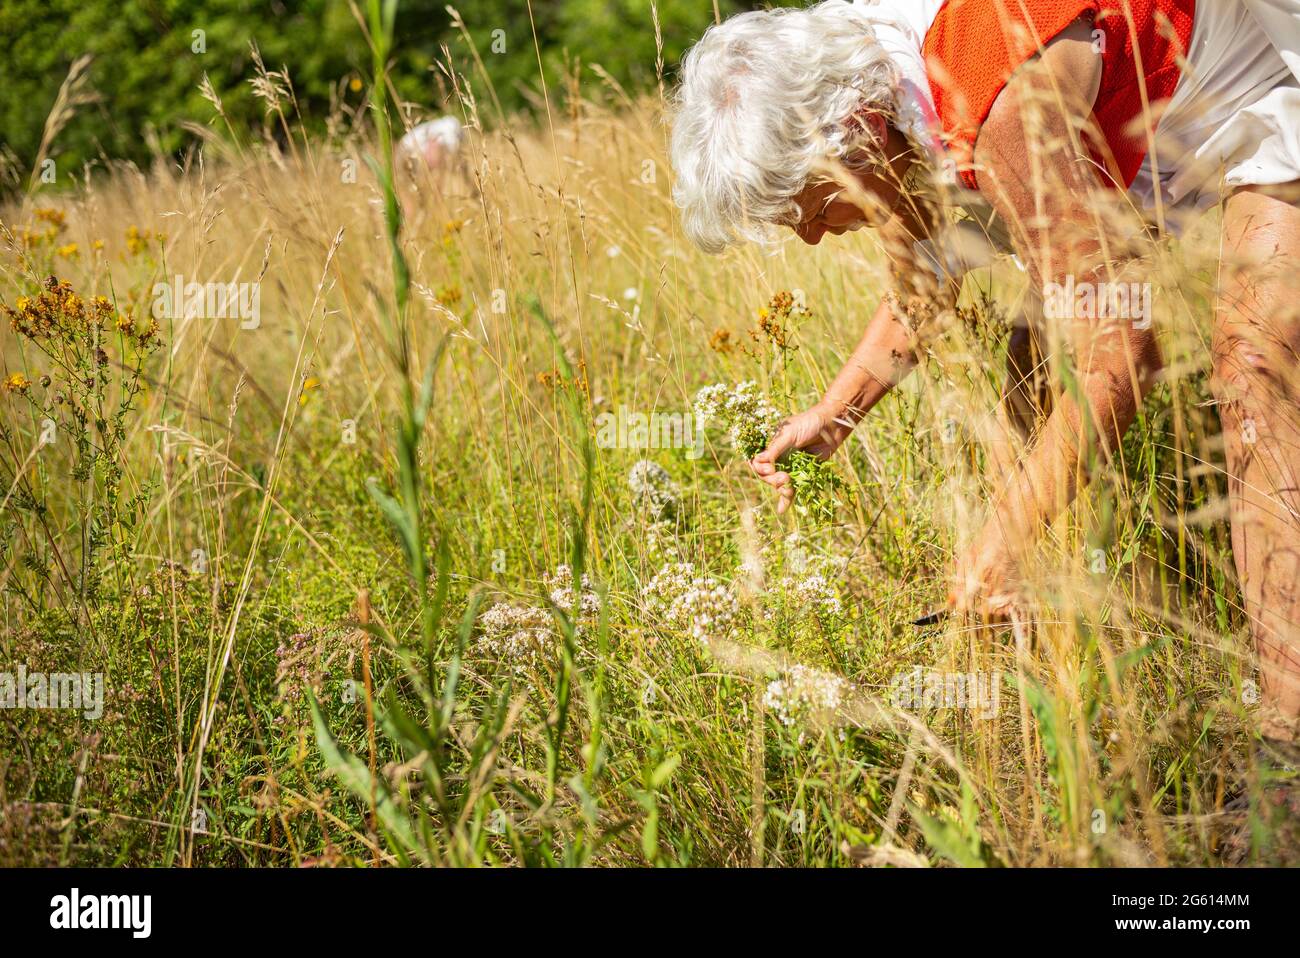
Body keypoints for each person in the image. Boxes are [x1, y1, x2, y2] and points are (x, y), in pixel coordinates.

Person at [670, 0, 1300, 773]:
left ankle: (1287, 738)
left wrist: (1004, 528)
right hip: (1151, 115)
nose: (809, 234)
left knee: (1253, 367)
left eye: (809, 206)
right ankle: (1064, 645)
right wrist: (832, 420)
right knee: (1031, 354)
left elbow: (1120, 354)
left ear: (859, 137)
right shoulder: (873, 85)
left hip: (1268, 72)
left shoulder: (995, 100)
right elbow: (926, 281)